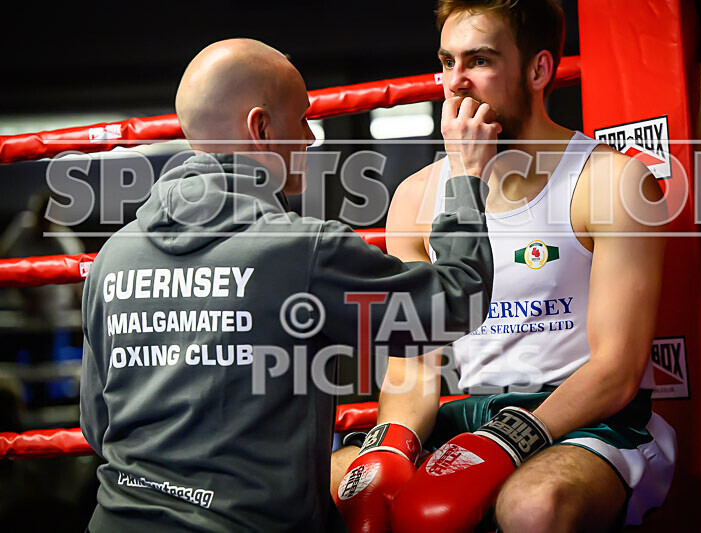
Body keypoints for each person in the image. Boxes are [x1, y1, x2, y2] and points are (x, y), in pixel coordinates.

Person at [79, 38, 499, 532]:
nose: (311, 138)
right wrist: (467, 176)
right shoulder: (299, 249)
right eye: (301, 119)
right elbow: (457, 298)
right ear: (261, 127)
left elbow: (96, 423)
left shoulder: (113, 256)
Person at [330, 1, 677, 532]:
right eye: (448, 62)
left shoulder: (609, 182)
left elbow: (617, 370)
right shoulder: (416, 197)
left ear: (538, 70)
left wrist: (513, 439)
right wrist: (391, 449)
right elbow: (414, 369)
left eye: (480, 60)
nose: (456, 82)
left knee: (531, 505)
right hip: (474, 416)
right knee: (335, 482)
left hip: (591, 423)